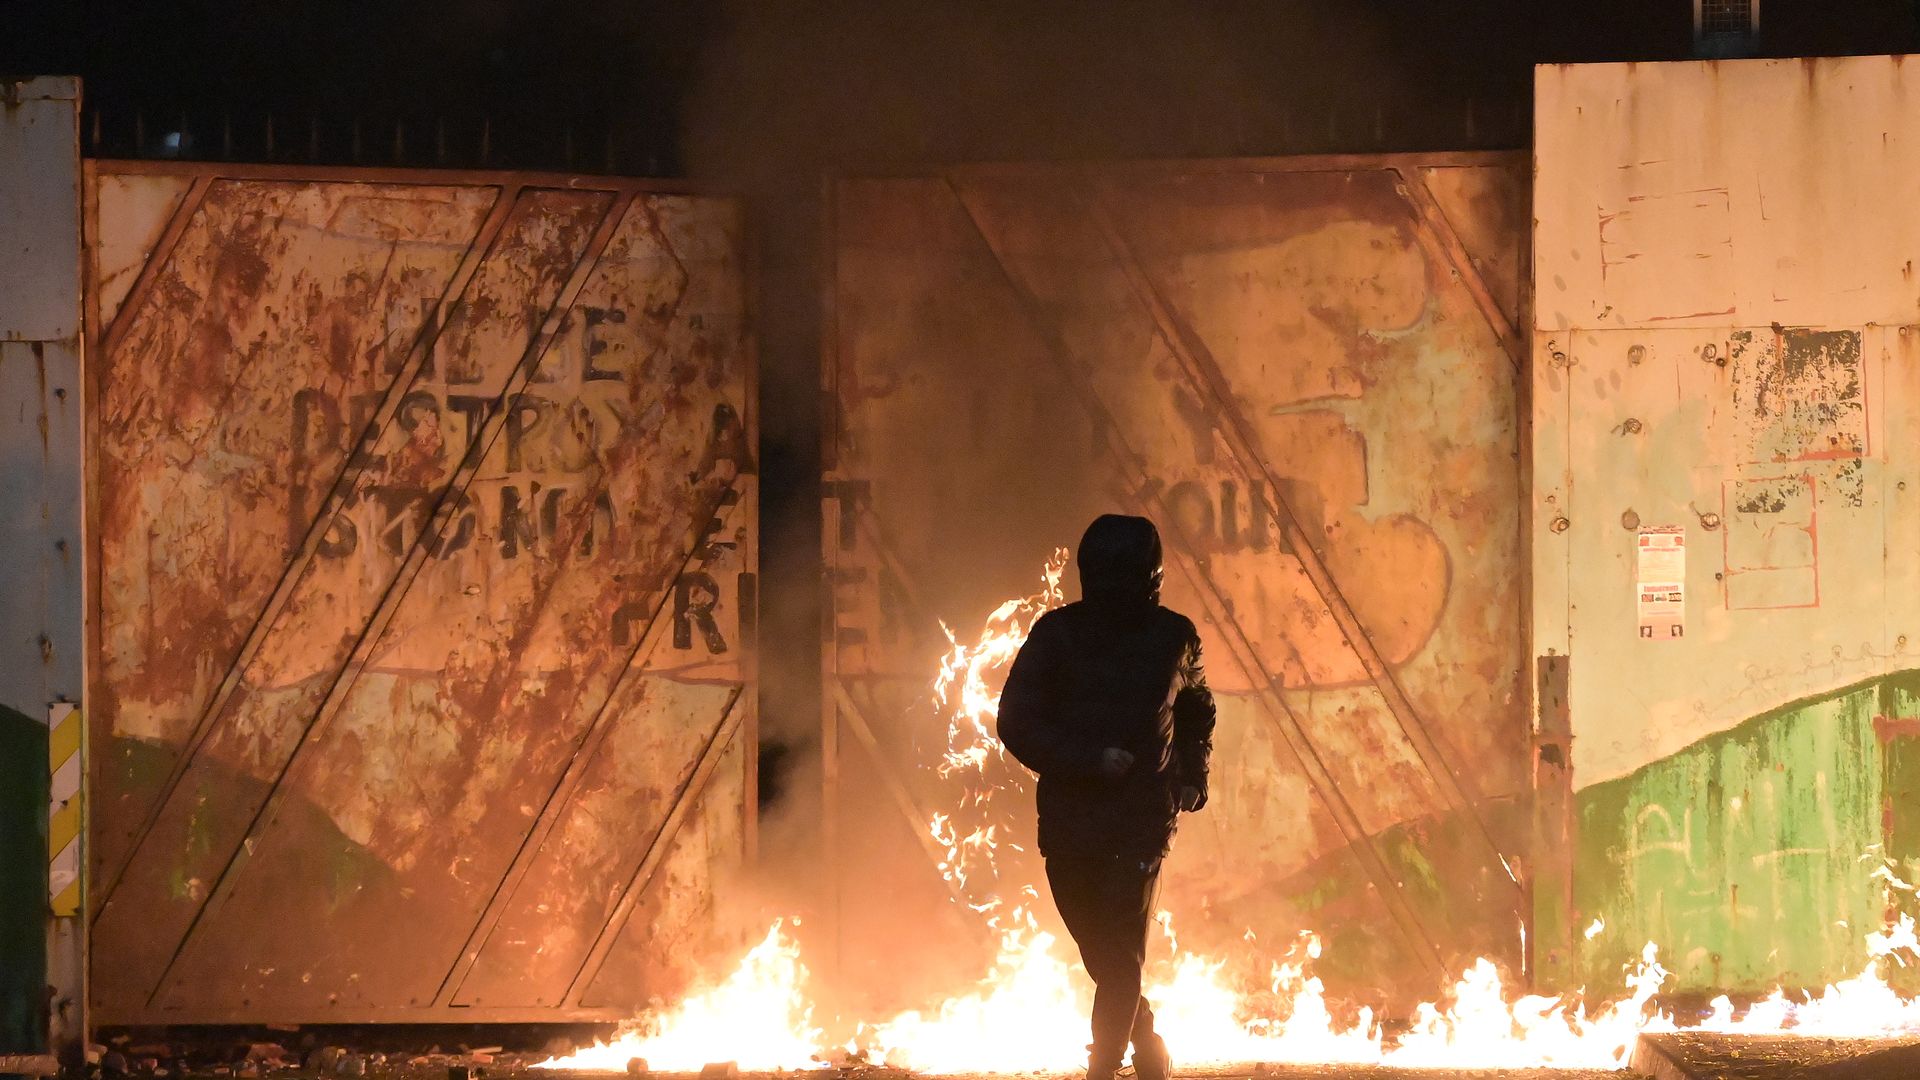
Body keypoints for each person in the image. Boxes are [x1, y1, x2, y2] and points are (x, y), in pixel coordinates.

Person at [998, 514, 1216, 1080]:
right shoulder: (1057, 634)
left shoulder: (1174, 635)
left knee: (1119, 956)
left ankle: (1104, 1069)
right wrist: (1087, 759)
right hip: (1071, 822)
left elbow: (1195, 708)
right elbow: (1016, 720)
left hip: (1142, 819)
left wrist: (1192, 774)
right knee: (1102, 949)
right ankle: (1145, 1038)